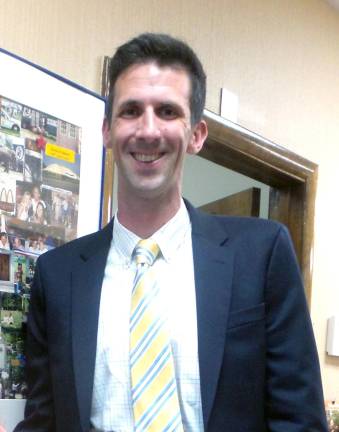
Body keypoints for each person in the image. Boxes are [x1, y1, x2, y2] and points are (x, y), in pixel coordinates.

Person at [15, 33, 328, 432]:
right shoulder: (57, 276)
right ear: (107, 131)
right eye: (130, 111)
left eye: (167, 111)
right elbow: (44, 421)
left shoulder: (262, 254)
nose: (148, 130)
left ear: (196, 134)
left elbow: (299, 422)